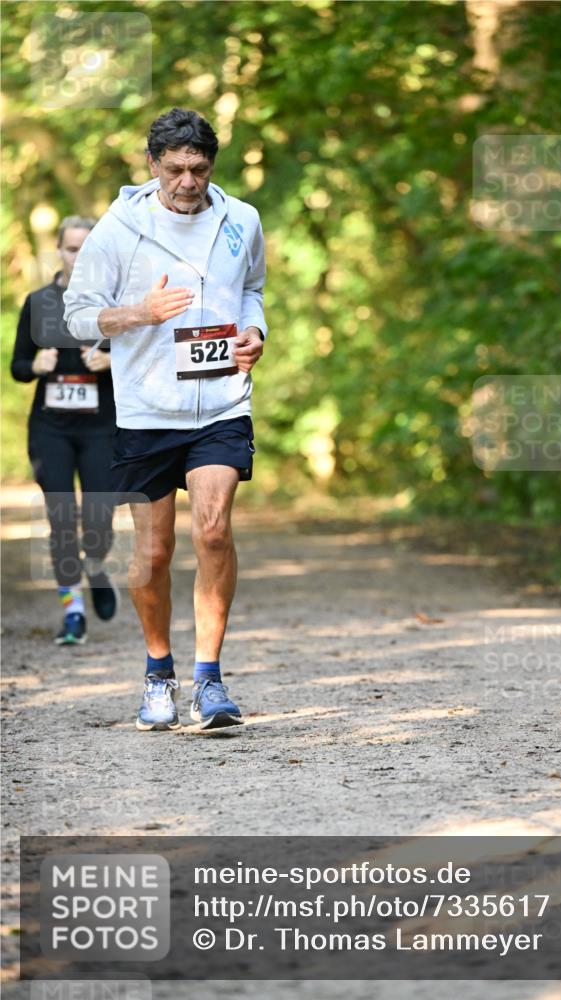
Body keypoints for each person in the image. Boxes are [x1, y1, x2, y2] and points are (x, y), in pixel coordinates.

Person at [63, 108, 267, 733]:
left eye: (198, 169)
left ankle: (210, 679)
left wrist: (255, 331)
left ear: (212, 165)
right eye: (175, 168)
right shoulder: (117, 230)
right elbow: (77, 315)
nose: (187, 182)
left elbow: (253, 288)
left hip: (222, 403)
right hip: (146, 409)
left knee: (214, 531)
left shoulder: (242, 219)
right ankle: (158, 672)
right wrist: (140, 313)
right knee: (153, 553)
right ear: (152, 164)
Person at [11, 216, 119, 645]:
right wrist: (35, 365)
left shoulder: (113, 302)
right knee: (60, 520)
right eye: (73, 249)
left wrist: (111, 362)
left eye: (88, 249)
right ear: (59, 251)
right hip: (50, 430)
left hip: (101, 429)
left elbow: (142, 360)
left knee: (98, 521)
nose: (80, 257)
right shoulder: (39, 302)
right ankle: (73, 611)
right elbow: (18, 365)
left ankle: (95, 565)